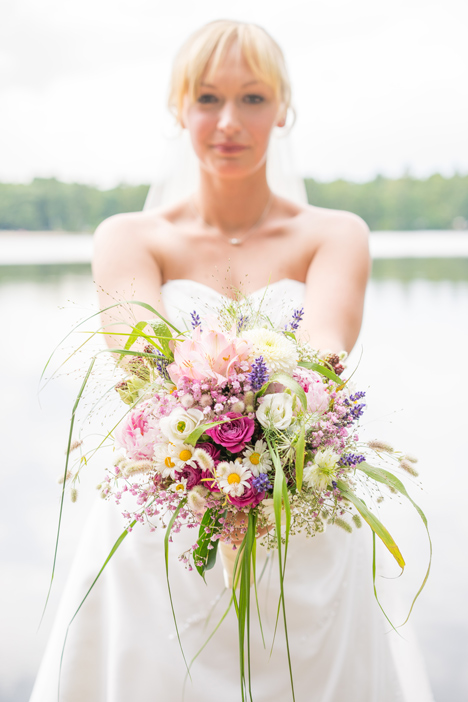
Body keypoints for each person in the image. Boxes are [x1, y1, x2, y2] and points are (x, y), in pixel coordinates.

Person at [31, 20, 434, 702]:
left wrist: (263, 439)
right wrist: (212, 440)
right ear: (179, 110)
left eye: (252, 99)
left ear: (284, 110)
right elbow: (140, 377)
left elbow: (324, 364)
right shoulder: (128, 237)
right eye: (207, 99)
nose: (228, 122)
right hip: (163, 519)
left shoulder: (336, 235)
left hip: (298, 512)